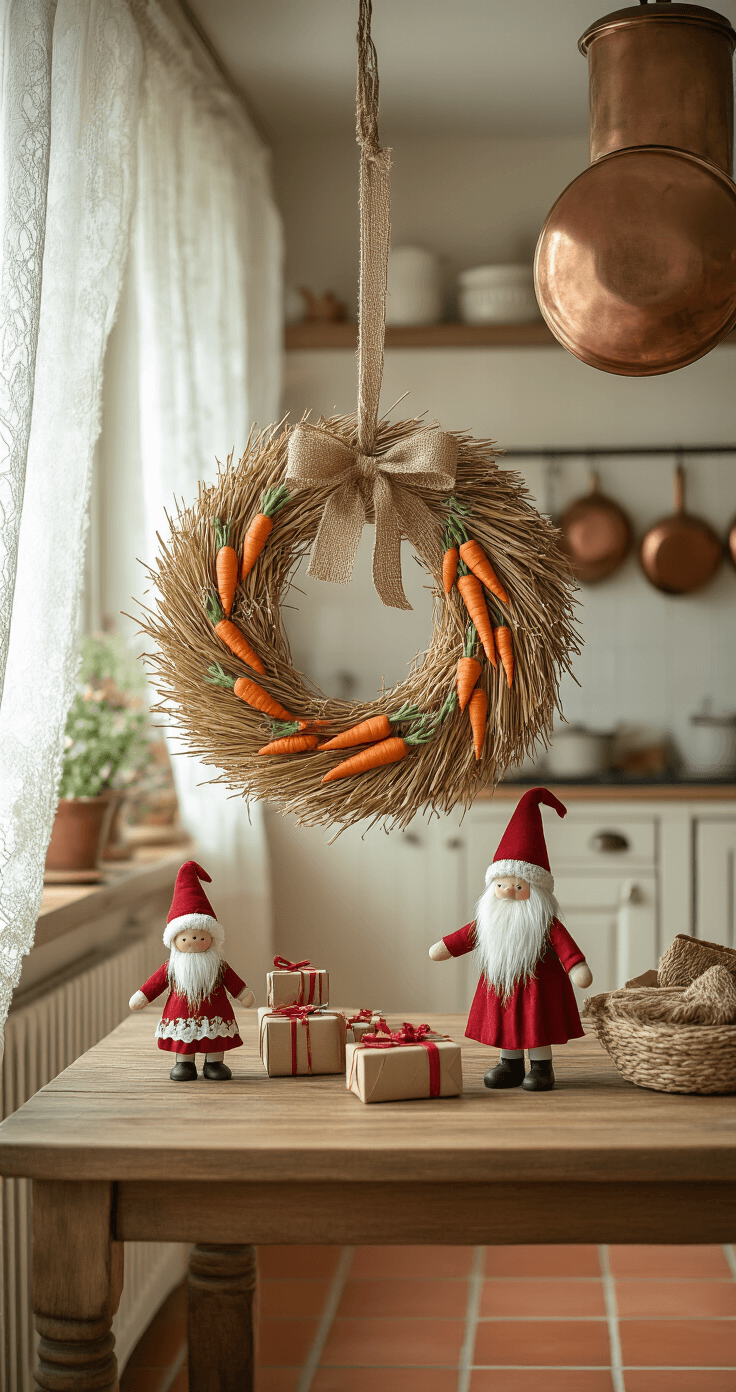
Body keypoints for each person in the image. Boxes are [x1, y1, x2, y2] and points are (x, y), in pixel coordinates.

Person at [429, 787, 592, 1091]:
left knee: (537, 1023)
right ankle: (510, 1064)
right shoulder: (490, 920)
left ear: (536, 892)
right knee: (506, 1023)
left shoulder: (545, 923)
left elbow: (565, 947)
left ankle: (542, 1067)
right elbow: (467, 936)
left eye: (519, 887)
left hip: (538, 988)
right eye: (501, 884)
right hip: (501, 983)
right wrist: (445, 947)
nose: (508, 891)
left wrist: (576, 968)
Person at [129, 859, 255, 1081]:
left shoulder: (218, 965)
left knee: (215, 1037)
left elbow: (234, 983)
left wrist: (243, 994)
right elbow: (155, 984)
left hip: (215, 1013)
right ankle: (184, 1064)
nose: (193, 941)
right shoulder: (173, 966)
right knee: (184, 1038)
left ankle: (214, 1063)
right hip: (181, 1015)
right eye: (186, 937)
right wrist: (142, 996)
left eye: (200, 936)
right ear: (175, 940)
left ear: (211, 937)